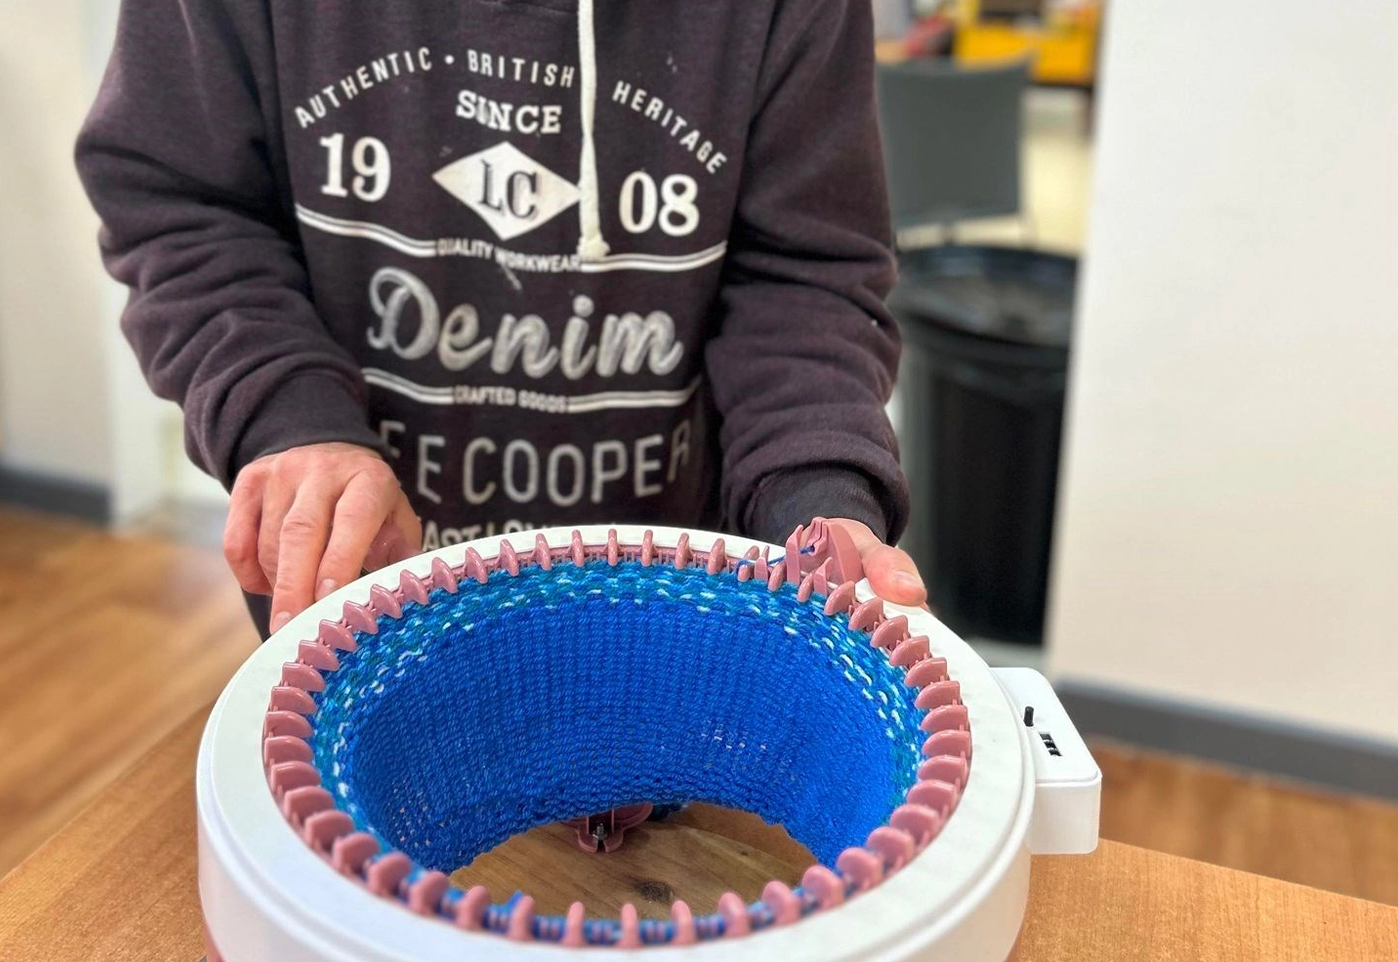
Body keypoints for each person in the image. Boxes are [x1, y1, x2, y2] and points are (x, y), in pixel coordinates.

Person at [78, 0, 927, 638]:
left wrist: (817, 499)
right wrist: (289, 419)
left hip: (673, 617)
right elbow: (182, 206)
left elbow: (803, 273)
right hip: (360, 618)